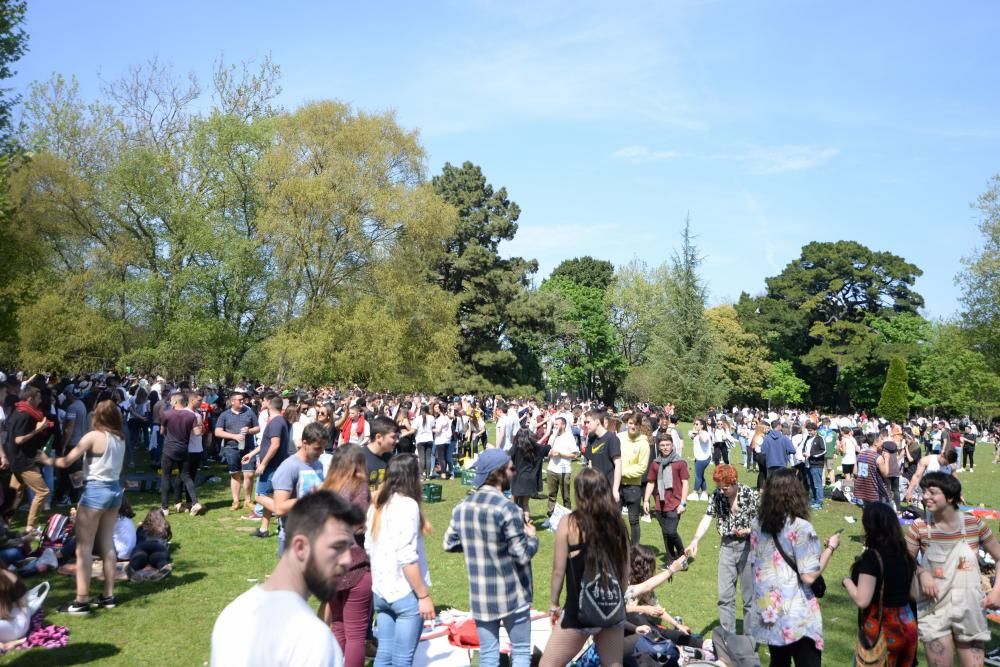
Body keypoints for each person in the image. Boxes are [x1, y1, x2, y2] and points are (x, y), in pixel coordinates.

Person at [211, 490, 363, 667]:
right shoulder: (313, 639)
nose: (347, 560)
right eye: (338, 547)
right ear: (300, 547)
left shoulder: (235, 612)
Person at [443, 448, 539, 667]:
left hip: (481, 593)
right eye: (511, 468)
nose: (513, 473)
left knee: (488, 655)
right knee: (521, 652)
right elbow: (522, 554)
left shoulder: (462, 507)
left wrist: (475, 543)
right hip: (513, 592)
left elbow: (449, 543)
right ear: (499, 473)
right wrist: (532, 538)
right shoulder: (508, 509)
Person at [747, 468, 841, 666]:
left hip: (771, 609)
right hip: (797, 613)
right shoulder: (800, 527)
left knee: (778, 662)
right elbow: (809, 576)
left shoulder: (757, 524)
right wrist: (830, 549)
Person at [905, 472, 1000, 667]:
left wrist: (997, 592)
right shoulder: (919, 527)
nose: (925, 496)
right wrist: (921, 573)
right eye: (924, 491)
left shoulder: (974, 524)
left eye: (932, 492)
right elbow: (904, 562)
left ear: (950, 497)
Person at [41, 399, 125, 615]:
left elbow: (66, 462)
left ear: (96, 415)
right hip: (114, 491)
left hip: (96, 491)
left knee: (84, 547)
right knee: (107, 545)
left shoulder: (92, 436)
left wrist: (45, 459)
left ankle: (81, 600)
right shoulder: (119, 438)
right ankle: (108, 596)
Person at [540, 467, 630, 667]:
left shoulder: (570, 522)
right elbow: (625, 571)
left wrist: (554, 604)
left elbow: (558, 570)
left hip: (579, 611)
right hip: (611, 610)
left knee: (547, 665)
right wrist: (617, 598)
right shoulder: (618, 524)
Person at [366, 454, 433, 666]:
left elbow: (369, 546)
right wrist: (423, 596)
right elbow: (407, 558)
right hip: (405, 592)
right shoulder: (408, 506)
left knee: (384, 654)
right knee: (403, 657)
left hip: (381, 590)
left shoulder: (377, 505)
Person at [685, 464, 759, 635]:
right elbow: (707, 517)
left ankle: (750, 640)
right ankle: (728, 638)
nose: (722, 491)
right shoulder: (717, 496)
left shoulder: (750, 494)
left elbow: (764, 522)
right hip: (727, 545)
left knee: (749, 599)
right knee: (724, 597)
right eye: (720, 488)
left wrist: (749, 530)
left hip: (748, 546)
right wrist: (695, 539)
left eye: (725, 488)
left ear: (734, 483)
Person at [842, 503, 918, 667]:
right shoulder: (905, 555)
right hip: (907, 624)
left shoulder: (872, 557)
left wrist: (847, 582)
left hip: (883, 627)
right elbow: (913, 593)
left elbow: (863, 599)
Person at [319, 446, 371, 667]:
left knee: (338, 626)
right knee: (356, 635)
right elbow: (358, 524)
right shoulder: (358, 486)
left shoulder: (326, 488)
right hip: (354, 564)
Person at [622, 545, 697, 659]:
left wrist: (677, 625)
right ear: (643, 566)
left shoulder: (643, 585)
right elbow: (619, 609)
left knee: (681, 636)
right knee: (636, 616)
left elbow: (656, 607)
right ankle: (673, 650)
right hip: (627, 632)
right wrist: (644, 609)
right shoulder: (623, 583)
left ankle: (704, 647)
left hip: (647, 629)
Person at [271, 423, 327, 556]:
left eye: (323, 448)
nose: (321, 452)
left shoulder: (318, 464)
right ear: (304, 443)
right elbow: (279, 508)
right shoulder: (289, 467)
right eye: (317, 448)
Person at [5, 386, 52, 533]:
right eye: (38, 398)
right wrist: (38, 429)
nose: (41, 400)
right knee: (43, 491)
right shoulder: (24, 415)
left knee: (16, 494)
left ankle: (5, 522)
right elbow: (18, 440)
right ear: (30, 399)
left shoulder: (18, 410)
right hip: (23, 461)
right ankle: (31, 526)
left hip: (18, 459)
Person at [242, 397, 290, 537]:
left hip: (271, 466)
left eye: (263, 400)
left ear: (269, 403)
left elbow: (275, 445)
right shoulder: (279, 421)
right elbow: (266, 443)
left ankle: (288, 519)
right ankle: (264, 529)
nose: (261, 402)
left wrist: (263, 464)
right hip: (274, 466)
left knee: (259, 496)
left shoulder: (276, 422)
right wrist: (251, 454)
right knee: (269, 496)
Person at [642, 434, 689, 568]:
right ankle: (670, 560)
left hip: (675, 503)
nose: (665, 447)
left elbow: (685, 483)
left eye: (667, 444)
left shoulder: (680, 462)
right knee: (665, 534)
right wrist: (646, 500)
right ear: (658, 446)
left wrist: (683, 503)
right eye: (662, 445)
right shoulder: (655, 463)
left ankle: (682, 555)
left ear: (672, 445)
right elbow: (651, 482)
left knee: (671, 532)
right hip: (660, 503)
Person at [214, 391, 260, 511]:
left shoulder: (249, 412)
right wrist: (234, 436)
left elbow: (258, 428)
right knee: (235, 474)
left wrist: (249, 431)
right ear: (232, 401)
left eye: (243, 399)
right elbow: (217, 432)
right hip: (231, 448)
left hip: (248, 448)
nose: (242, 401)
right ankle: (235, 501)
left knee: (249, 474)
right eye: (239, 400)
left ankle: (248, 501)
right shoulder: (225, 415)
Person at [159, 392, 203, 516]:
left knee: (166, 477)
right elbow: (197, 432)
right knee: (186, 476)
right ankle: (195, 502)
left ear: (175, 402)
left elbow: (162, 431)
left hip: (169, 449)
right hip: (184, 449)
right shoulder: (191, 416)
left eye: (171, 401)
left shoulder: (167, 414)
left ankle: (165, 507)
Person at [619, 414, 650, 545]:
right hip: (617, 485)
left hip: (633, 487)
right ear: (627, 423)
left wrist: (621, 472)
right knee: (613, 518)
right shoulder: (618, 438)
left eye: (636, 424)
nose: (633, 426)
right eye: (631, 423)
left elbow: (642, 468)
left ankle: (634, 548)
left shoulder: (644, 443)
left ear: (639, 426)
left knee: (633, 520)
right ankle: (616, 545)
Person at [583, 409, 621, 504]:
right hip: (594, 486)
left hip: (608, 487)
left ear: (597, 422)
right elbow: (590, 462)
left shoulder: (612, 438)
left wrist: (615, 489)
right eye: (585, 422)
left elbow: (618, 464)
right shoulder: (591, 438)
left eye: (588, 422)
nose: (586, 425)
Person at [544, 417, 578, 521]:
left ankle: (567, 518)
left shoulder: (569, 437)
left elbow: (575, 455)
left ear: (563, 425)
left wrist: (560, 454)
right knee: (551, 494)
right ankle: (551, 517)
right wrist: (550, 453)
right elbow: (547, 451)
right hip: (552, 469)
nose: (555, 427)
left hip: (564, 471)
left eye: (557, 425)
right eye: (554, 425)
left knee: (566, 496)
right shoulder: (553, 436)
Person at [510, 427, 550, 514]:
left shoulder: (515, 448)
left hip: (518, 479)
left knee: (513, 503)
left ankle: (514, 521)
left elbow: (507, 458)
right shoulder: (536, 448)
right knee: (525, 504)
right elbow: (548, 447)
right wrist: (549, 434)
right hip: (530, 479)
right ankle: (527, 522)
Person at [364, 416, 398, 490]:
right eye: (393, 437)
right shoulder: (358, 458)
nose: (397, 441)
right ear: (378, 437)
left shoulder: (392, 460)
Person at [689, 418, 712, 501]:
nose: (695, 426)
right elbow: (692, 436)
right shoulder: (696, 433)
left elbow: (704, 440)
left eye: (697, 424)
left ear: (702, 426)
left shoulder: (705, 433)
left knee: (697, 476)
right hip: (698, 457)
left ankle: (695, 492)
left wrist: (699, 432)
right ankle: (704, 493)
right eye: (694, 424)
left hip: (703, 458)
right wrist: (694, 434)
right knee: (701, 475)